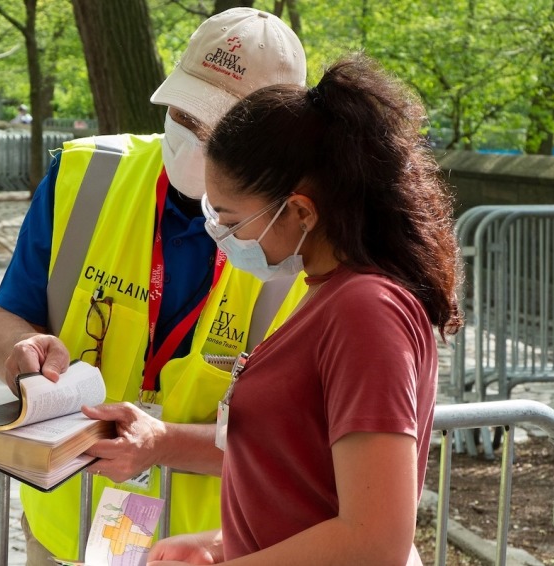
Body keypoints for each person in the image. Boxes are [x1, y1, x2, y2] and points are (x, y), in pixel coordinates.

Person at [0, 8, 307, 564]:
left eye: (217, 126)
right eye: (183, 113)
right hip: (65, 526)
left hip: (209, 547)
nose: (192, 139)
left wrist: (162, 442)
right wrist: (20, 354)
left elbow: (300, 449)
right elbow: (4, 323)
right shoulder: (82, 177)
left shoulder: (300, 236)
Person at [147, 53, 463, 566]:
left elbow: (373, 540)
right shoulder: (331, 292)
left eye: (228, 218)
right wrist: (220, 546)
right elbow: (311, 493)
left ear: (299, 211)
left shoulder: (365, 311)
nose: (222, 237)